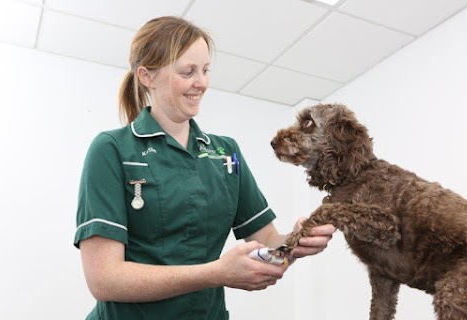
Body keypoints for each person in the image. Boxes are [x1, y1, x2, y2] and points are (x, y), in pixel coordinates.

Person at [74, 16, 335, 320]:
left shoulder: (227, 153)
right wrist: (215, 274)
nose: (202, 82)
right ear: (147, 76)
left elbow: (265, 242)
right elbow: (104, 280)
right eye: (188, 71)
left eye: (205, 70)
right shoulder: (112, 149)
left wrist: (295, 242)